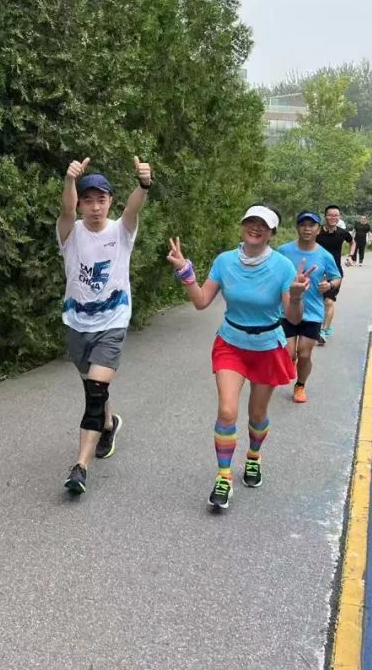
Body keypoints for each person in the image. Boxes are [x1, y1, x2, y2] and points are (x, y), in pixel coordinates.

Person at [166, 206, 311, 510]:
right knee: (227, 411)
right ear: (243, 226)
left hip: (267, 346)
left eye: (263, 225)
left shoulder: (283, 267)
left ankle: (254, 457)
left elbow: (294, 318)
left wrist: (297, 295)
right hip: (231, 343)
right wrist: (185, 273)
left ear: (272, 233)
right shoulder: (225, 261)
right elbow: (201, 302)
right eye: (250, 222)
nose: (255, 228)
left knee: (257, 415)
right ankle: (224, 477)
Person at [58, 155, 152, 495]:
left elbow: (133, 208)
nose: (96, 207)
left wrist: (143, 184)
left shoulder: (120, 231)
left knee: (95, 395)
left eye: (102, 199)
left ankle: (80, 467)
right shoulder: (70, 232)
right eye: (88, 200)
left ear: (110, 200)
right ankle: (109, 424)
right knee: (92, 388)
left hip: (113, 321)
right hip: (77, 322)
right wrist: (70, 180)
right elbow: (65, 210)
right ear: (81, 204)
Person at [277, 212, 342, 403]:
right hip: (286, 310)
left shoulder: (325, 255)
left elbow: (337, 277)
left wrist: (329, 285)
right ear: (297, 228)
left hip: (312, 313)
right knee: (288, 354)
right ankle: (291, 362)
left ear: (318, 229)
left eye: (311, 225)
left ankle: (300, 385)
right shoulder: (283, 251)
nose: (307, 229)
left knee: (304, 354)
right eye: (303, 225)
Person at [317, 205, 353, 340]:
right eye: (330, 215)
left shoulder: (342, 233)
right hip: (317, 272)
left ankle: (323, 331)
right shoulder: (317, 232)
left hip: (335, 273)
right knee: (318, 301)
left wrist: (350, 256)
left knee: (329, 301)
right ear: (325, 216)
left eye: (336, 215)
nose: (333, 218)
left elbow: (352, 242)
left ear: (339, 217)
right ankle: (324, 323)